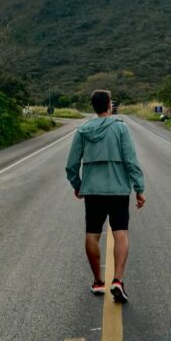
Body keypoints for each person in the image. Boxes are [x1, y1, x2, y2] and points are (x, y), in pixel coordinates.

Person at [65, 89, 145, 302]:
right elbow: (131, 161)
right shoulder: (121, 129)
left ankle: (98, 282)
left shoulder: (82, 131)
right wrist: (139, 188)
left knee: (92, 234)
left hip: (93, 191)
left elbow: (71, 165)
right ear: (109, 105)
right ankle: (117, 280)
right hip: (118, 190)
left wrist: (78, 185)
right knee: (120, 233)